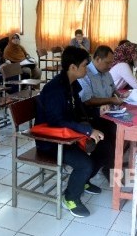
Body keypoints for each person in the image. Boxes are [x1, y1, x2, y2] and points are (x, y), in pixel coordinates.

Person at [35, 46, 106, 218]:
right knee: (85, 164)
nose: (87, 69)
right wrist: (88, 130)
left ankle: (84, 181)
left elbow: (78, 110)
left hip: (67, 135)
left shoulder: (71, 84)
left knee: (103, 149)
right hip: (51, 141)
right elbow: (56, 121)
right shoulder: (55, 89)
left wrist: (98, 113)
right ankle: (70, 198)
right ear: (73, 67)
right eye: (84, 65)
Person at [78, 45, 126, 180]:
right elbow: (87, 101)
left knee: (121, 129)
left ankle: (110, 165)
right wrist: (111, 99)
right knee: (111, 138)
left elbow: (114, 90)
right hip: (91, 115)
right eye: (108, 62)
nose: (110, 66)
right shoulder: (85, 73)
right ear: (97, 59)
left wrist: (122, 96)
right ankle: (89, 175)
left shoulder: (107, 73)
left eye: (112, 62)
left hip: (108, 112)